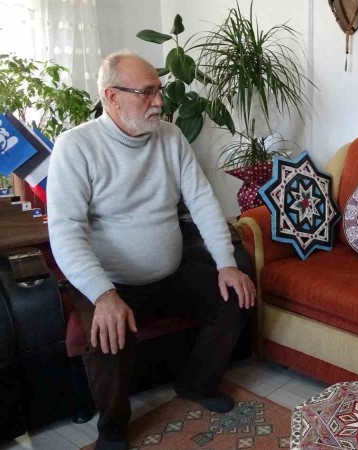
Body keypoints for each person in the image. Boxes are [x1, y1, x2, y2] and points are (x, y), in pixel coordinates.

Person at [47, 51, 256, 450]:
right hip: (111, 283)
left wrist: (226, 264)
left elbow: (202, 201)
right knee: (104, 334)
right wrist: (103, 296)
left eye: (159, 90)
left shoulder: (171, 137)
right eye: (147, 93)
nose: (159, 101)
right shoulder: (76, 147)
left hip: (170, 272)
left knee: (235, 295)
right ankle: (112, 426)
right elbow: (65, 231)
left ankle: (196, 384)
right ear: (112, 97)